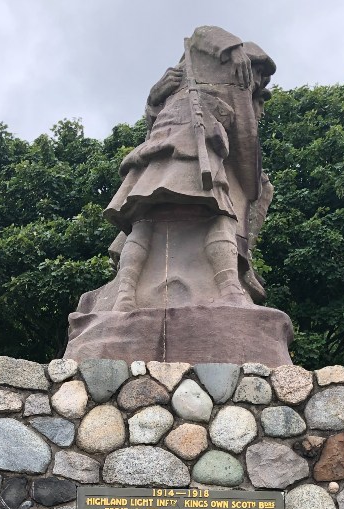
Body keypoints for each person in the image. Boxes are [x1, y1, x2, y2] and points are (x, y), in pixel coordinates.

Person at [104, 26, 276, 311]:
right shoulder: (212, 70)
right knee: (205, 217)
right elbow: (201, 34)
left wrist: (153, 99)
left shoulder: (204, 80)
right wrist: (232, 48)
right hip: (182, 151)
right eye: (259, 73)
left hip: (183, 152)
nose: (257, 80)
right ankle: (128, 291)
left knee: (150, 220)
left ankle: (129, 291)